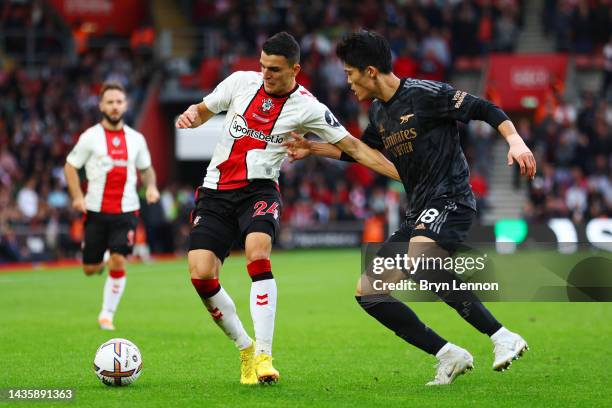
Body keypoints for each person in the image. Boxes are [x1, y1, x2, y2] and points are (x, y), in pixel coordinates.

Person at [283, 30, 536, 386]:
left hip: (451, 198)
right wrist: (313, 148)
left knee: (419, 260)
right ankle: (448, 354)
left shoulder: (425, 94)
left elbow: (485, 108)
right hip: (419, 210)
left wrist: (516, 142)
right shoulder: (379, 112)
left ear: (370, 71)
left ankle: (501, 336)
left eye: (350, 73)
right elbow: (358, 150)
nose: (348, 81)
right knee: (368, 291)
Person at [175, 32, 398, 385]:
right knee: (201, 274)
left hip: (260, 189)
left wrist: (404, 174)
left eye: (275, 70)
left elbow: (354, 148)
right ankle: (245, 347)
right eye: (263, 66)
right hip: (215, 190)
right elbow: (203, 110)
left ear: (295, 69)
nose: (266, 74)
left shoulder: (309, 108)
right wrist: (191, 115)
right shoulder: (240, 82)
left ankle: (264, 355)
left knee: (257, 251)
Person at [64, 82, 160, 331]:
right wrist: (76, 196)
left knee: (119, 261)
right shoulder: (90, 137)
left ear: (125, 105)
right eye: (110, 102)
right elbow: (70, 166)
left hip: (127, 211)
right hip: (95, 211)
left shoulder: (136, 139)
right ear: (101, 106)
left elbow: (146, 168)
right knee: (90, 268)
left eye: (119, 102)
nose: (115, 106)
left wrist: (151, 187)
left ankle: (107, 314)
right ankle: (104, 256)